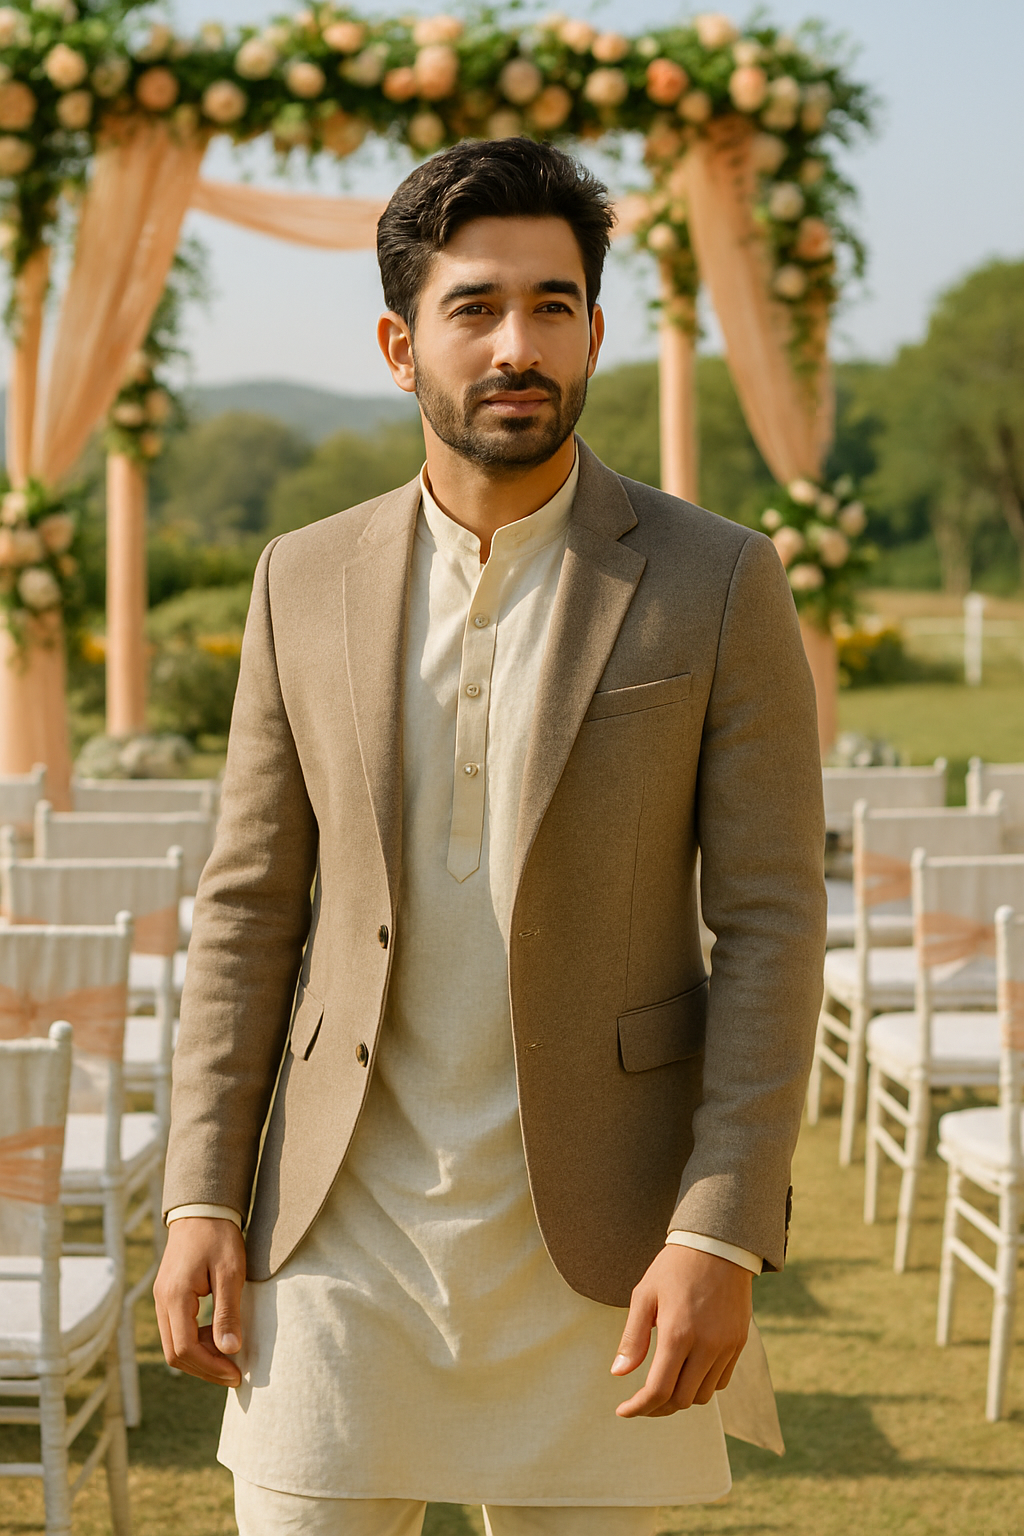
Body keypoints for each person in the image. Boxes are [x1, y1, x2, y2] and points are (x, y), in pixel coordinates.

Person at [155, 137, 826, 1536]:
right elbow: (246, 911)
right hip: (336, 1242)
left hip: (609, 1251)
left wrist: (719, 1227)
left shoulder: (719, 580)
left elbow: (772, 923)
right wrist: (197, 1194)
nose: (517, 345)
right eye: (475, 309)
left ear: (594, 328)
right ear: (403, 345)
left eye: (553, 305)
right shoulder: (302, 579)